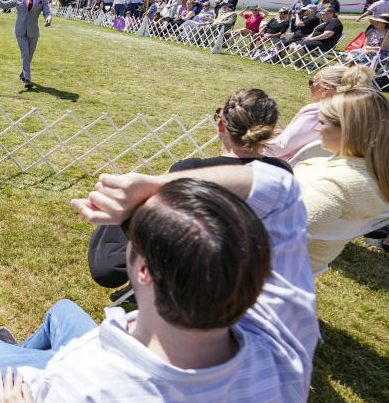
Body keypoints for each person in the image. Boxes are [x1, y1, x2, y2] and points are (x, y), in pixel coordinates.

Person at [0, 159, 317, 403]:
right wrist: (159, 188)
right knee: (63, 311)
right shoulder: (284, 349)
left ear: (144, 271)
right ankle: (11, 352)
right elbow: (282, 187)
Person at [88, 88, 290, 289]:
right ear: (271, 133)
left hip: (191, 271)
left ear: (221, 125)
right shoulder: (283, 173)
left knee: (127, 204)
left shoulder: (188, 171)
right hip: (252, 272)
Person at [294, 87, 389, 271]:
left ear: (348, 130)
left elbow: (283, 235)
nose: (316, 128)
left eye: (322, 122)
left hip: (273, 268)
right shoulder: (378, 176)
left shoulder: (336, 184)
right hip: (311, 265)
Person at [264, 64, 374, 161]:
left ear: (327, 87)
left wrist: (253, 147)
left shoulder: (316, 112)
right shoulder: (359, 114)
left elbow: (282, 146)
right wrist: (283, 134)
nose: (309, 86)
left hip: (295, 168)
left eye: (312, 82)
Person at [0, 0, 52, 88]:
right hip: (20, 31)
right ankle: (27, 79)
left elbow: (47, 12)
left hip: (33, 32)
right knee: (25, 54)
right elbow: (4, 5)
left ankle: (23, 74)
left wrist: (48, 19)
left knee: (29, 55)